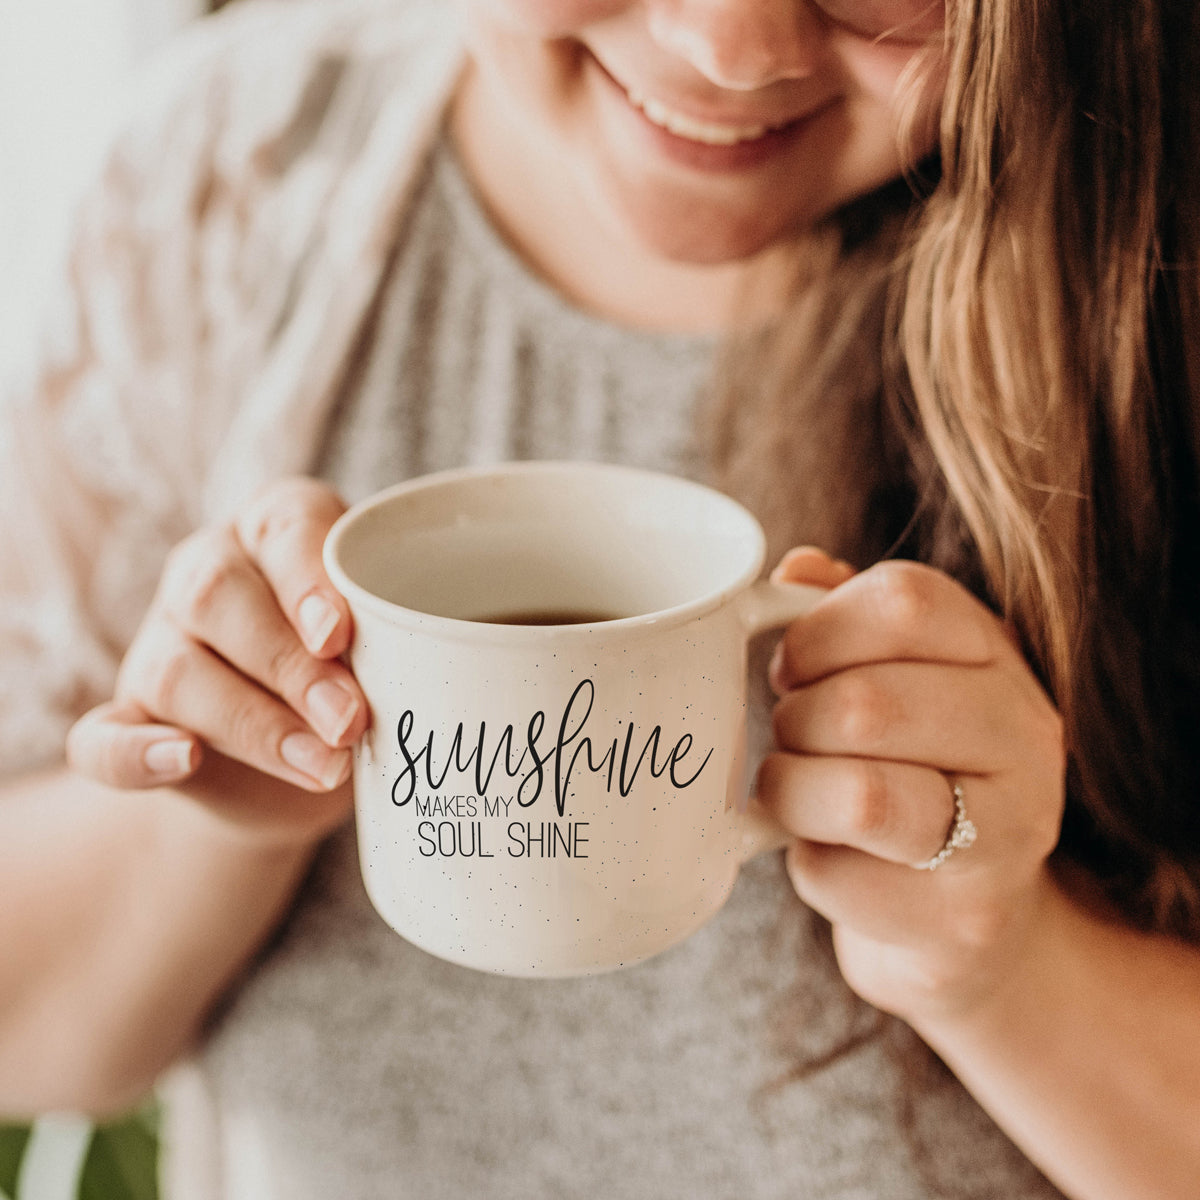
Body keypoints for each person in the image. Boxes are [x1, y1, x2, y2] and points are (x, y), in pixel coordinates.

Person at [1, 0, 1198, 1196]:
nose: (730, 49)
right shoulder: (233, 179)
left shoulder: (1155, 264)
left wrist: (1012, 972)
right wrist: (219, 809)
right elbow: (26, 1034)